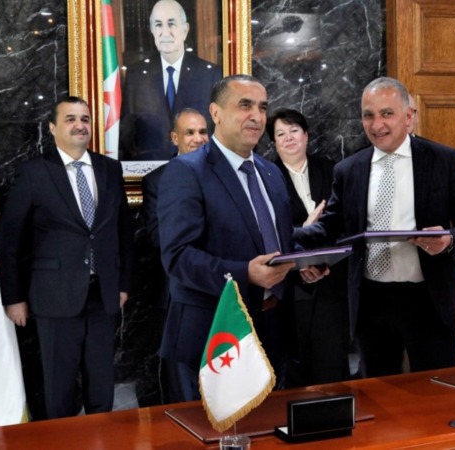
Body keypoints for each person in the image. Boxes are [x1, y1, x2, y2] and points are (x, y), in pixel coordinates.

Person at [296, 77, 455, 377]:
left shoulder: (443, 159)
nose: (376, 124)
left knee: (437, 393)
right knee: (378, 395)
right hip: (371, 302)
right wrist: (289, 239)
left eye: (386, 114)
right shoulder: (348, 169)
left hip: (429, 300)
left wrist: (448, 239)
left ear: (409, 116)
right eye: (368, 115)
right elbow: (330, 228)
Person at [157, 75, 326, 401]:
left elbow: (278, 242)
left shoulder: (270, 172)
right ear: (216, 113)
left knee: (270, 424)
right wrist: (244, 273)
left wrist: (302, 264)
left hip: (273, 327)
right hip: (217, 334)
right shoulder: (187, 171)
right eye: (245, 105)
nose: (257, 116)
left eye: (262, 107)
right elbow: (178, 257)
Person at [0, 96, 134, 418]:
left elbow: (124, 231)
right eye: (70, 119)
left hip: (103, 295)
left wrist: (123, 284)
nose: (79, 125)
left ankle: (101, 439)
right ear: (52, 128)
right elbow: (9, 239)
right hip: (54, 297)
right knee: (58, 391)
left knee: (102, 387)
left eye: (85, 119)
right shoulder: (33, 172)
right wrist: (13, 298)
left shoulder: (109, 169)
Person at [268, 108, 350, 386]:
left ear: (306, 135)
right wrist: (304, 228)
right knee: (295, 368)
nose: (289, 138)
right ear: (274, 143)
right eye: (281, 134)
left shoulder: (331, 169)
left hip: (331, 280)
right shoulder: (266, 176)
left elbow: (345, 220)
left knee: (332, 362)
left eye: (294, 131)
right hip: (291, 286)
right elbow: (267, 231)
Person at [139, 108, 208, 403]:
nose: (197, 139)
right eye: (189, 133)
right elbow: (157, 236)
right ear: (174, 138)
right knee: (182, 381)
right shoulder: (157, 180)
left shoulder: (224, 174)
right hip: (177, 291)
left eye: (203, 132)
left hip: (221, 288)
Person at [119, 0, 222, 161]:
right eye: (158, 25)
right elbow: (128, 132)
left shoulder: (209, 74)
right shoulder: (136, 75)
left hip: (198, 167)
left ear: (185, 30)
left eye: (171, 24)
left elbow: (218, 129)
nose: (165, 32)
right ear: (152, 30)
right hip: (149, 168)